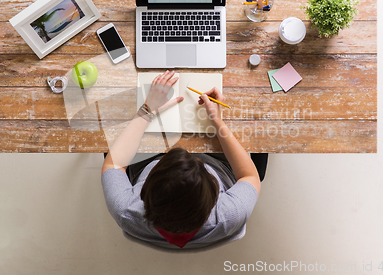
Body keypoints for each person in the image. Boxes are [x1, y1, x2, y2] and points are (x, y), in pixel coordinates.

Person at [101, 70, 265, 249]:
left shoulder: (125, 210)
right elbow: (250, 176)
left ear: (144, 192)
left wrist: (147, 109)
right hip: (217, 163)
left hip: (149, 160)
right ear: (213, 196)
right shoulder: (230, 213)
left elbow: (114, 163)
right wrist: (218, 121)